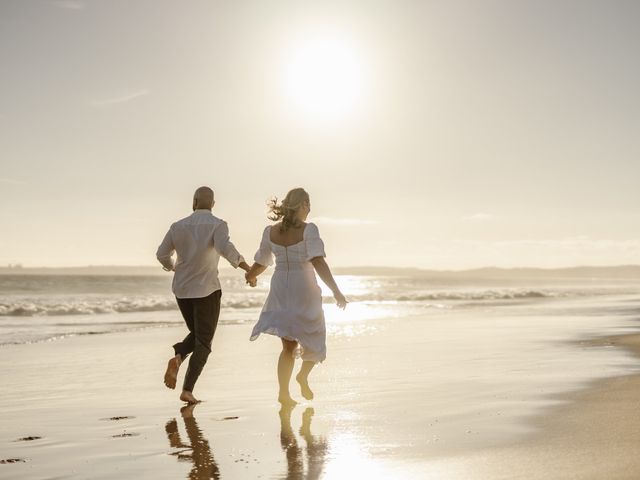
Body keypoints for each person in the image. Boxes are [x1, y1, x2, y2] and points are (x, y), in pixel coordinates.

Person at [245, 188, 347, 406]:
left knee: (288, 347)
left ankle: (284, 394)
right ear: (302, 205)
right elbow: (318, 261)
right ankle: (302, 376)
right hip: (305, 288)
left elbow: (262, 262)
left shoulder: (270, 231)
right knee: (316, 338)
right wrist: (336, 291)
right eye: (308, 205)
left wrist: (251, 275)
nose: (309, 210)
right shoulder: (309, 230)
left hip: (281, 288)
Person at [157, 186, 251, 404]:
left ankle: (178, 358)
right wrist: (245, 266)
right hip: (207, 290)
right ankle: (186, 389)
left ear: (194, 201)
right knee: (204, 343)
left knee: (199, 335)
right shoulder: (218, 224)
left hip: (181, 290)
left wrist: (172, 267)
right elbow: (225, 248)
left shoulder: (177, 226)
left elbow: (162, 254)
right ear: (213, 204)